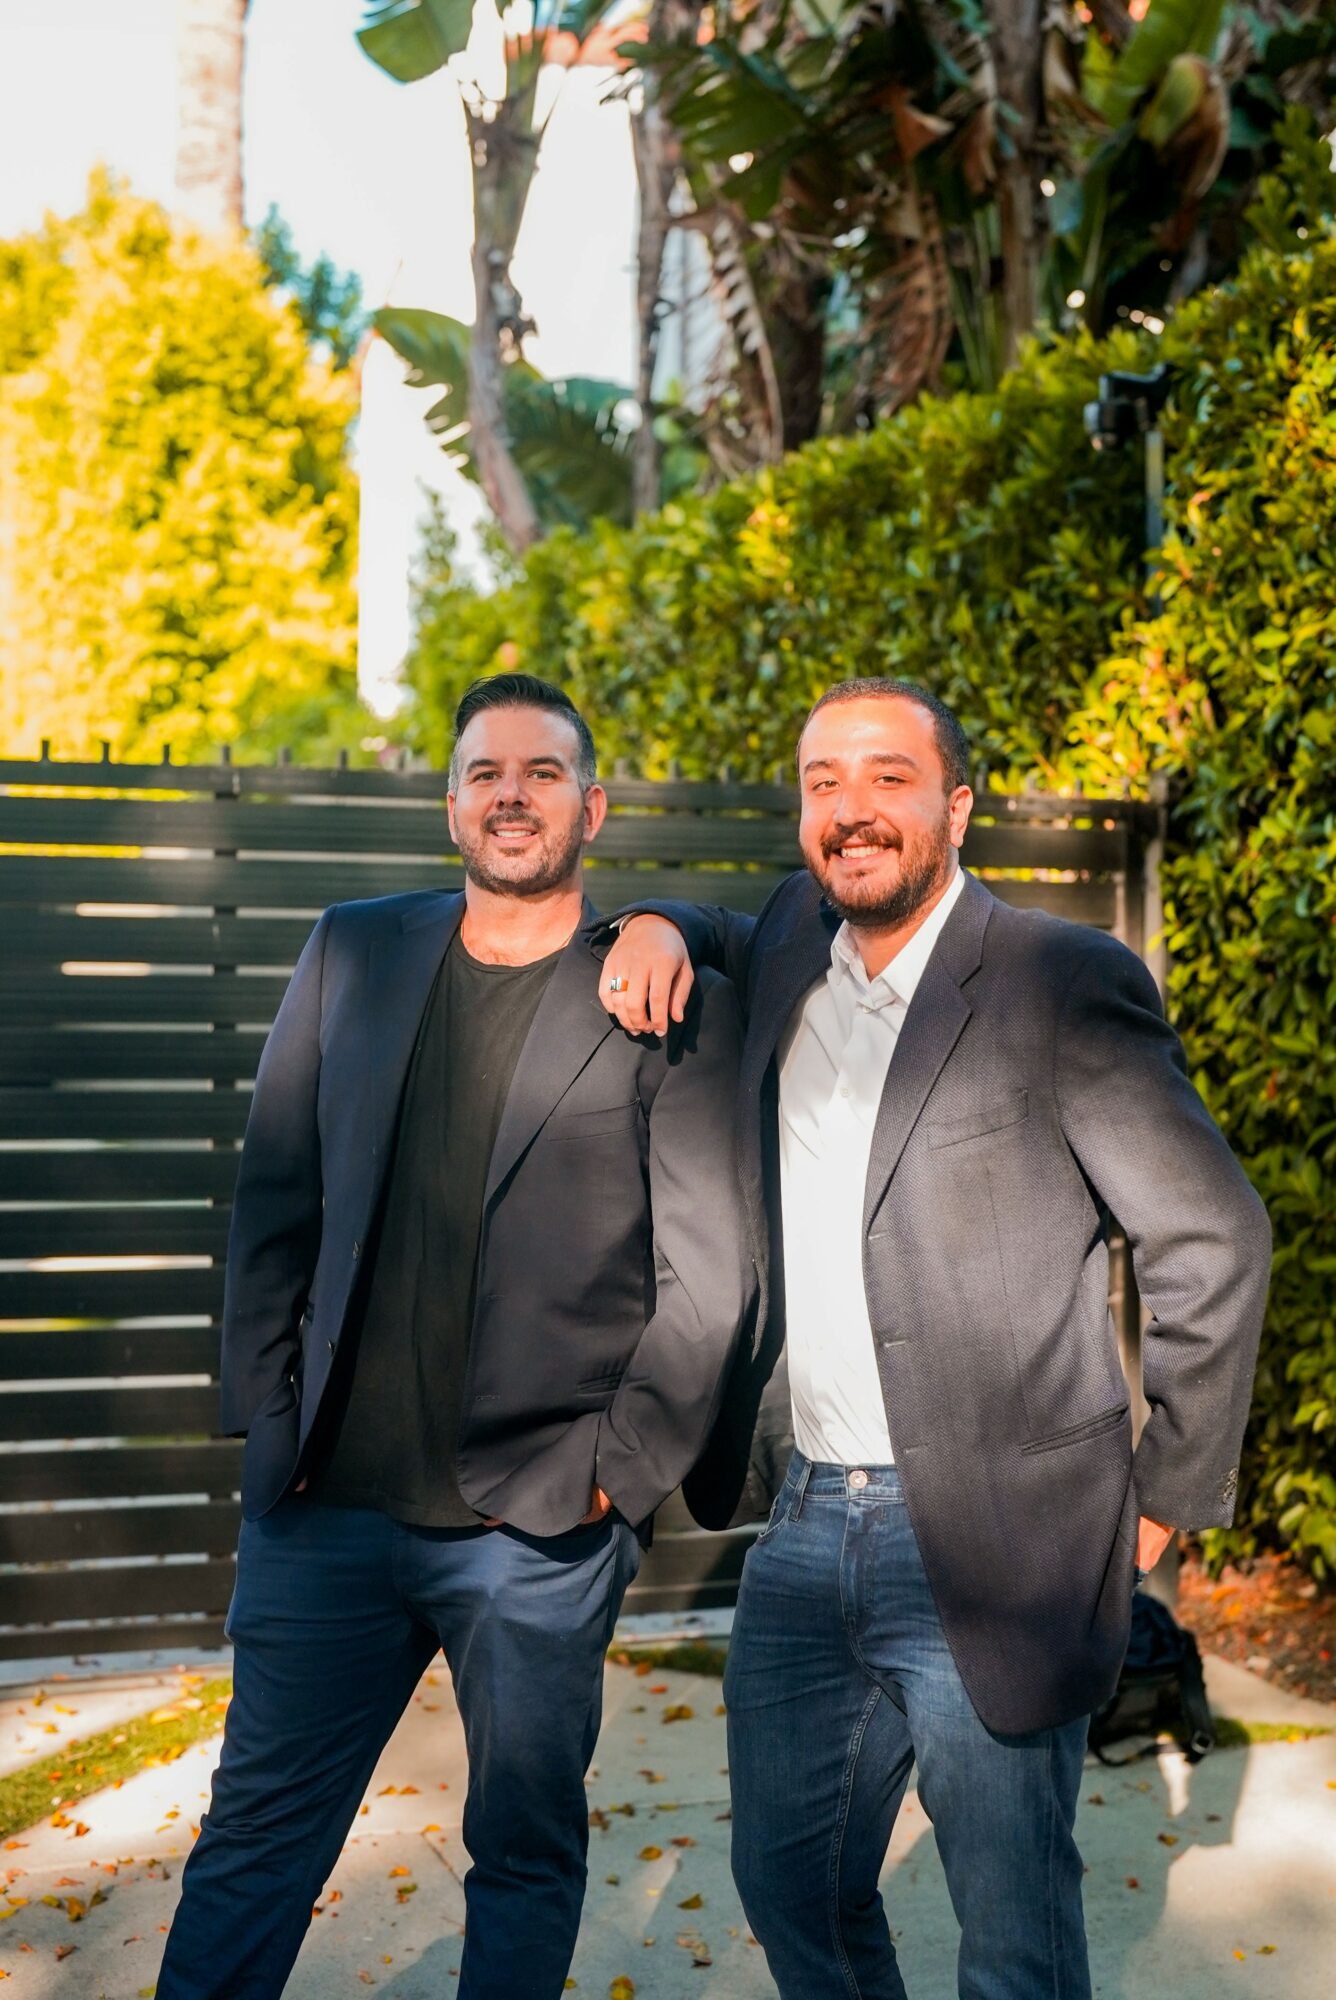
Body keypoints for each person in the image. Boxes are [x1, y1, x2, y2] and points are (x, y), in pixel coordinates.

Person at [598, 677, 1270, 2000]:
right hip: (803, 1535)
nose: (853, 810)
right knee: (791, 1884)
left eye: (889, 778)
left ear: (957, 805)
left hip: (1003, 1540)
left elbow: (1214, 1235)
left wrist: (1168, 1496)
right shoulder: (796, 936)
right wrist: (655, 919)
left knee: (1012, 1934)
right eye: (824, 781)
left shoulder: (1060, 980)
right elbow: (725, 926)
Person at [157, 674, 755, 2000]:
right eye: (486, 772)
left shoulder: (664, 996)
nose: (512, 794)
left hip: (538, 1531)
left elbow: (708, 1273)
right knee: (254, 1841)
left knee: (523, 1852)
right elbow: (274, 1191)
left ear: (593, 806)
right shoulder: (351, 951)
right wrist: (266, 1421)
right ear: (449, 806)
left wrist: (619, 1475)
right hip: (327, 1515)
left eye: (544, 773)